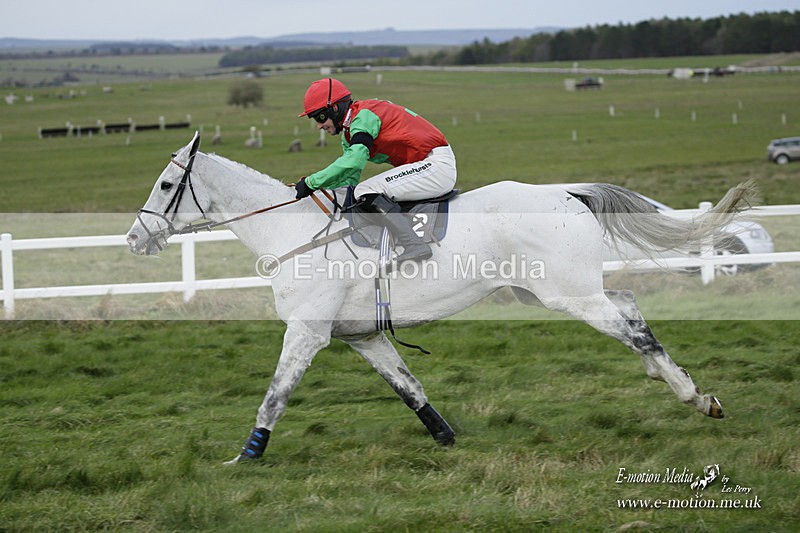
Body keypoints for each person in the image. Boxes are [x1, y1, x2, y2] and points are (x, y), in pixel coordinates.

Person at [294, 78, 457, 263]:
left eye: (319, 117)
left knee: (366, 191)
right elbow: (348, 178)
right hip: (425, 166)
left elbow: (354, 161)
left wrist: (311, 183)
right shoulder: (349, 134)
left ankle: (414, 245)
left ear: (335, 108)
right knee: (359, 193)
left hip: (436, 165)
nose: (319, 125)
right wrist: (314, 192)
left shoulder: (363, 117)